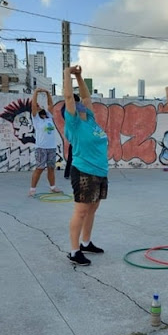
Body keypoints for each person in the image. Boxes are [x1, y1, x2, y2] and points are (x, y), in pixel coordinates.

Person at [63, 65, 108, 266]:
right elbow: (68, 98)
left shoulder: (90, 119)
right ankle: (74, 252)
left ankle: (86, 242)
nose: (80, 104)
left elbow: (86, 98)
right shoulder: (74, 124)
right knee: (81, 211)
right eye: (76, 103)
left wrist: (80, 77)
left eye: (81, 103)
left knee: (92, 209)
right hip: (83, 171)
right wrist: (67, 73)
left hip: (100, 172)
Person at [29, 87, 62, 196]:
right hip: (41, 148)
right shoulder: (36, 119)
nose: (38, 106)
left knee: (51, 168)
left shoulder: (49, 117)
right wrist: (36, 92)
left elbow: (50, 105)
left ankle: (52, 187)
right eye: (36, 106)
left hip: (51, 148)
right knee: (39, 168)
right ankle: (32, 189)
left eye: (39, 105)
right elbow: (33, 105)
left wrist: (48, 93)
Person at [61, 94, 80, 180]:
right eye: (75, 102)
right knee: (71, 157)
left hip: (79, 137)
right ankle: (67, 173)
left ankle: (69, 173)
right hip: (74, 138)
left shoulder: (78, 108)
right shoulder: (67, 111)